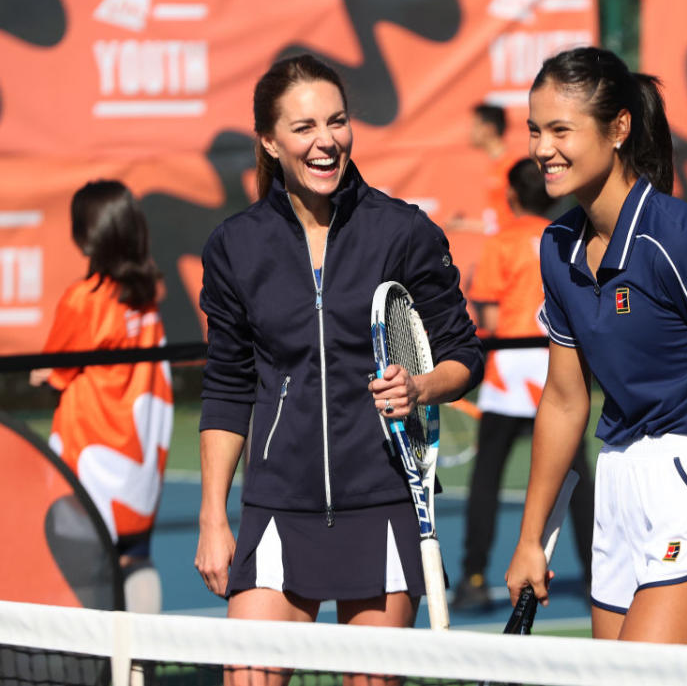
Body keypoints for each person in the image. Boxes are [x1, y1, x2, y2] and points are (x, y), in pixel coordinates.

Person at [194, 54, 483, 650]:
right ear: (270, 142)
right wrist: (212, 516)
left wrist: (420, 388)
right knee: (246, 674)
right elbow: (227, 386)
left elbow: (462, 354)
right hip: (276, 505)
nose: (326, 142)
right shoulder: (234, 246)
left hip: (382, 498)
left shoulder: (403, 231)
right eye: (304, 128)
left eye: (337, 121)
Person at [504, 47, 687, 645]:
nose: (542, 149)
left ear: (617, 129)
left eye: (561, 130)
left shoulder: (677, 239)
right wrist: (530, 540)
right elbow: (562, 401)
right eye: (535, 130)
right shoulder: (556, 246)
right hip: (616, 485)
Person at [454, 158, 594, 611]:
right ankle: (598, 575)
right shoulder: (570, 239)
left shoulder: (502, 243)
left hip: (510, 372)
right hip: (559, 368)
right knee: (575, 480)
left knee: (487, 480)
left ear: (512, 195)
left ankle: (473, 577)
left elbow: (490, 317)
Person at [30, 179, 174, 614]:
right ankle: (137, 672)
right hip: (138, 467)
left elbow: (56, 371)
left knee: (88, 574)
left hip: (90, 465)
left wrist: (40, 376)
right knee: (136, 557)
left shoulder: (83, 299)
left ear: (85, 234)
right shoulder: (146, 296)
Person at [448, 104, 519, 235]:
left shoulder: (511, 168)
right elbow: (497, 224)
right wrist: (463, 225)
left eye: (475, 125)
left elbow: (516, 221)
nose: (470, 132)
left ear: (489, 129)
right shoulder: (496, 165)